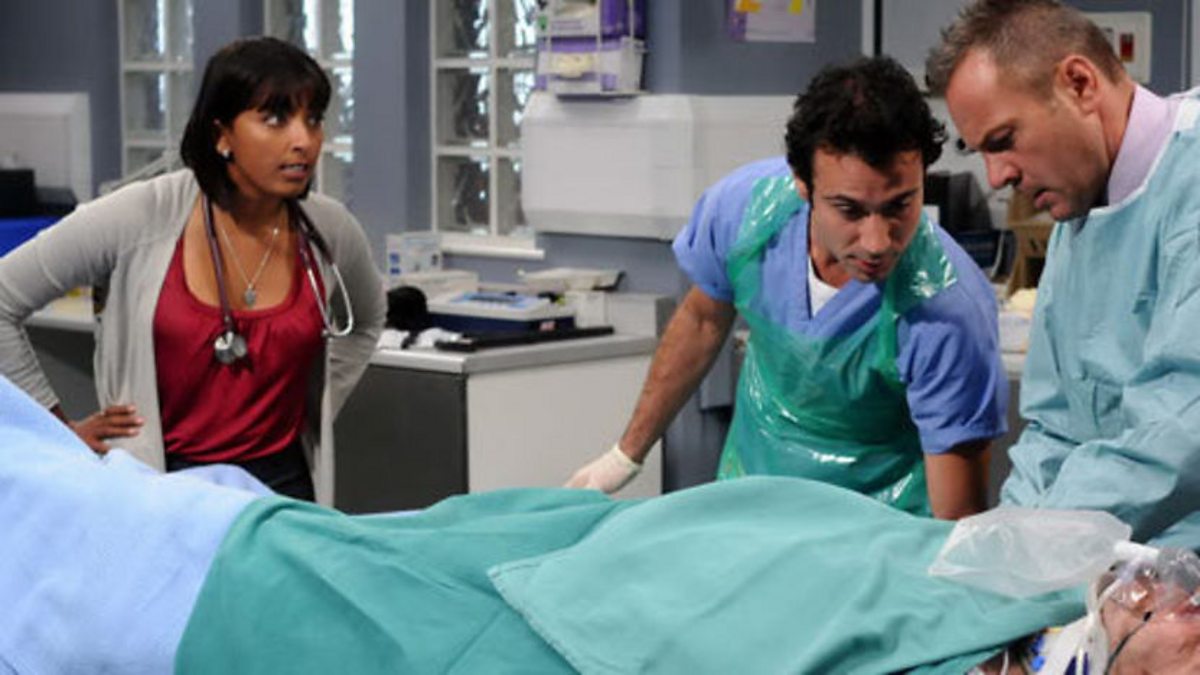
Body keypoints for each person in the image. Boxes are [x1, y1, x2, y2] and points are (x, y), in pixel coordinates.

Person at [2, 374, 1196, 675]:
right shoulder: (1080, 581)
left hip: (518, 624)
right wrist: (628, 454)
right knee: (379, 553)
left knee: (319, 573)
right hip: (672, 555)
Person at [568, 56, 1008, 519]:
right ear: (802, 184)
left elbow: (955, 523)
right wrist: (625, 456)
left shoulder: (946, 309)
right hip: (754, 498)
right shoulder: (746, 214)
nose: (878, 242)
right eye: (849, 210)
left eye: (900, 205)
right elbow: (701, 322)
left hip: (879, 525)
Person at [0, 37, 385, 502]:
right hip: (162, 491)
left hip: (284, 495)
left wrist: (318, 404)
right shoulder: (140, 216)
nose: (304, 140)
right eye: (275, 119)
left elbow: (366, 321)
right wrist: (55, 431)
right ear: (222, 134)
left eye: (314, 119)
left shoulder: (330, 228)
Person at [926, 0, 1200, 548]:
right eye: (981, 152)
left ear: (1079, 84)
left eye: (1003, 140)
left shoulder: (1188, 186)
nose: (997, 176)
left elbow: (1181, 429)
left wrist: (1037, 543)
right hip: (1123, 558)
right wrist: (1003, 543)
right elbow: (1055, 426)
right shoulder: (1081, 207)